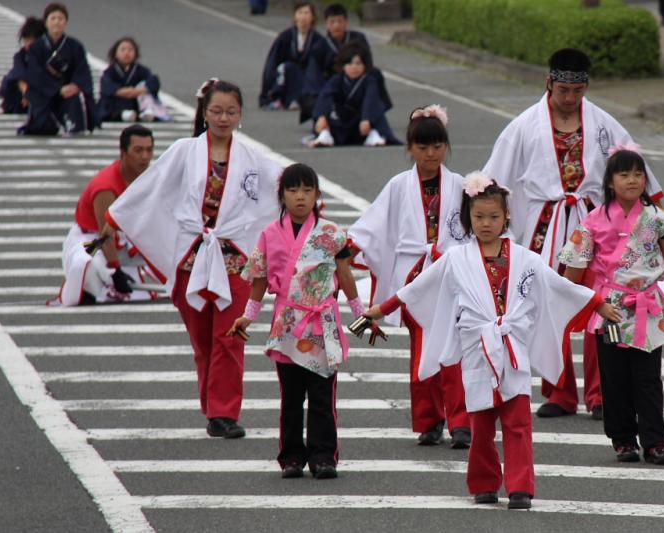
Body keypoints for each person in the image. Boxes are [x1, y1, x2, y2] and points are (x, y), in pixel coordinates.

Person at [363, 173, 620, 509]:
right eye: (478, 216)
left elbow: (559, 286)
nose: (486, 223)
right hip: (476, 347)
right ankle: (484, 483)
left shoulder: (527, 259)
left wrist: (597, 302)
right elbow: (419, 287)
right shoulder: (455, 259)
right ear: (468, 216)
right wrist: (382, 308)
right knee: (481, 422)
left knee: (517, 421)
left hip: (512, 344)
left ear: (506, 217)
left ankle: (520, 487)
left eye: (494, 217)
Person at [483, 48, 664, 420]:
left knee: (600, 302)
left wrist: (663, 213)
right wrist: (486, 228)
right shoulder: (524, 126)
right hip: (546, 222)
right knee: (548, 305)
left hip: (598, 224)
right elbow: (495, 178)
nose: (570, 99)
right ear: (549, 84)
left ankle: (601, 391)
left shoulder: (604, 124)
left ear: (586, 88)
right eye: (563, 91)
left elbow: (633, 169)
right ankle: (559, 392)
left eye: (577, 92)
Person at [104, 79, 282, 438]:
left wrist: (309, 204)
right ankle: (213, 407)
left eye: (231, 111)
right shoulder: (185, 151)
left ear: (240, 115)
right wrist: (119, 214)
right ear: (204, 112)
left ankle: (224, 413)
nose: (223, 118)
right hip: (192, 257)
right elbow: (153, 188)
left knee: (230, 337)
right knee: (202, 340)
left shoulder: (252, 158)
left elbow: (279, 188)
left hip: (235, 259)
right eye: (216, 111)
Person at [558, 147, 664, 465]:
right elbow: (573, 271)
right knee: (614, 378)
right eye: (624, 174)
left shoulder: (657, 219)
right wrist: (585, 304)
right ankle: (623, 440)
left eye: (638, 174)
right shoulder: (592, 222)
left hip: (648, 307)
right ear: (610, 182)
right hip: (609, 308)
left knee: (648, 377)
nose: (632, 180)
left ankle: (656, 442)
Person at [227, 163, 364, 480]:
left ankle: (323, 456)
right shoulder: (269, 234)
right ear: (281, 195)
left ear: (317, 194)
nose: (300, 197)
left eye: (307, 190)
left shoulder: (332, 234)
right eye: (292, 190)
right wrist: (247, 316)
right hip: (287, 323)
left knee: (321, 396)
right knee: (291, 397)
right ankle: (291, 456)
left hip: (322, 323)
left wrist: (360, 313)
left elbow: (344, 274)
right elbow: (259, 278)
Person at [347, 105, 471, 448]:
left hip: (451, 272)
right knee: (422, 351)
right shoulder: (398, 186)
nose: (431, 154)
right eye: (423, 147)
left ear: (446, 146)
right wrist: (349, 247)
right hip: (415, 277)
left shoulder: (462, 185)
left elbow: (480, 226)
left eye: (437, 146)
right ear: (410, 148)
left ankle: (462, 422)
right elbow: (373, 225)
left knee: (456, 351)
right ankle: (429, 420)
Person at [50, 124, 156, 306]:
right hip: (92, 239)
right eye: (138, 150)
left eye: (149, 150)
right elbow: (105, 234)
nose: (145, 157)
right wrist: (115, 271)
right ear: (123, 152)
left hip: (127, 237)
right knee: (87, 265)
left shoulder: (148, 176)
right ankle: (97, 288)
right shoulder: (106, 187)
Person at [299, 3, 391, 123]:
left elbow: (367, 63)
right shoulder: (320, 46)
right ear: (326, 23)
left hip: (358, 81)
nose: (336, 25)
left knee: (374, 74)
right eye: (332, 22)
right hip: (333, 85)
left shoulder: (358, 39)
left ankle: (371, 114)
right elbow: (314, 75)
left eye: (340, 21)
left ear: (346, 22)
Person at [19, 3, 95, 135]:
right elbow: (35, 74)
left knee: (75, 103)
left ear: (66, 22)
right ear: (46, 22)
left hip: (68, 91)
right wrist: (57, 89)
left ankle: (73, 124)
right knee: (42, 127)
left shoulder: (75, 46)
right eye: (53, 18)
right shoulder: (36, 47)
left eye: (60, 19)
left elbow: (82, 70)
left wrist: (75, 85)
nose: (57, 22)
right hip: (44, 92)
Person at [308, 41, 399, 147]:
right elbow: (325, 96)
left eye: (358, 63)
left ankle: (373, 134)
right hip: (340, 120)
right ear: (343, 66)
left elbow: (371, 99)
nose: (354, 67)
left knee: (376, 111)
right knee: (327, 115)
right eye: (350, 63)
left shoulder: (369, 80)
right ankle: (325, 135)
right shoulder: (337, 80)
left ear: (365, 65)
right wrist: (321, 116)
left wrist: (367, 118)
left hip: (361, 122)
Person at [258, 2, 321, 110]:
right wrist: (266, 89)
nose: (303, 17)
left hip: (308, 80)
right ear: (295, 16)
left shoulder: (318, 40)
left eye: (307, 13)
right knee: (287, 67)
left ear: (313, 17)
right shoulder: (285, 37)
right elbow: (273, 62)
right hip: (287, 77)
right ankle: (281, 99)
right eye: (300, 13)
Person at [96, 36, 170, 123]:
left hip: (136, 100)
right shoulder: (109, 72)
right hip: (118, 101)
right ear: (115, 53)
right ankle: (124, 114)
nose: (127, 53)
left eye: (130, 50)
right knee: (108, 103)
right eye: (123, 50)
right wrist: (129, 92)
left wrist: (137, 91)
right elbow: (109, 88)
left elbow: (152, 83)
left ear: (135, 53)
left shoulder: (142, 70)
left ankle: (147, 112)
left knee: (147, 92)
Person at [0, 17, 45, 114]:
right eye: (26, 40)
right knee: (13, 81)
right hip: (25, 97)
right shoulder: (21, 56)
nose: (28, 44)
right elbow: (19, 75)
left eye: (32, 40)